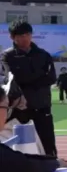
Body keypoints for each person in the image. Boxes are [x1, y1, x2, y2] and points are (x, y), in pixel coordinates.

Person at [1, 21, 57, 157]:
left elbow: (51, 78)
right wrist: (37, 78)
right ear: (12, 37)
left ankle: (52, 163)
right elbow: (10, 79)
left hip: (42, 106)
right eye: (21, 36)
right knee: (18, 147)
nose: (25, 38)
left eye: (28, 34)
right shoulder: (7, 56)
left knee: (47, 145)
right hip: (19, 110)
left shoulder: (43, 55)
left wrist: (26, 81)